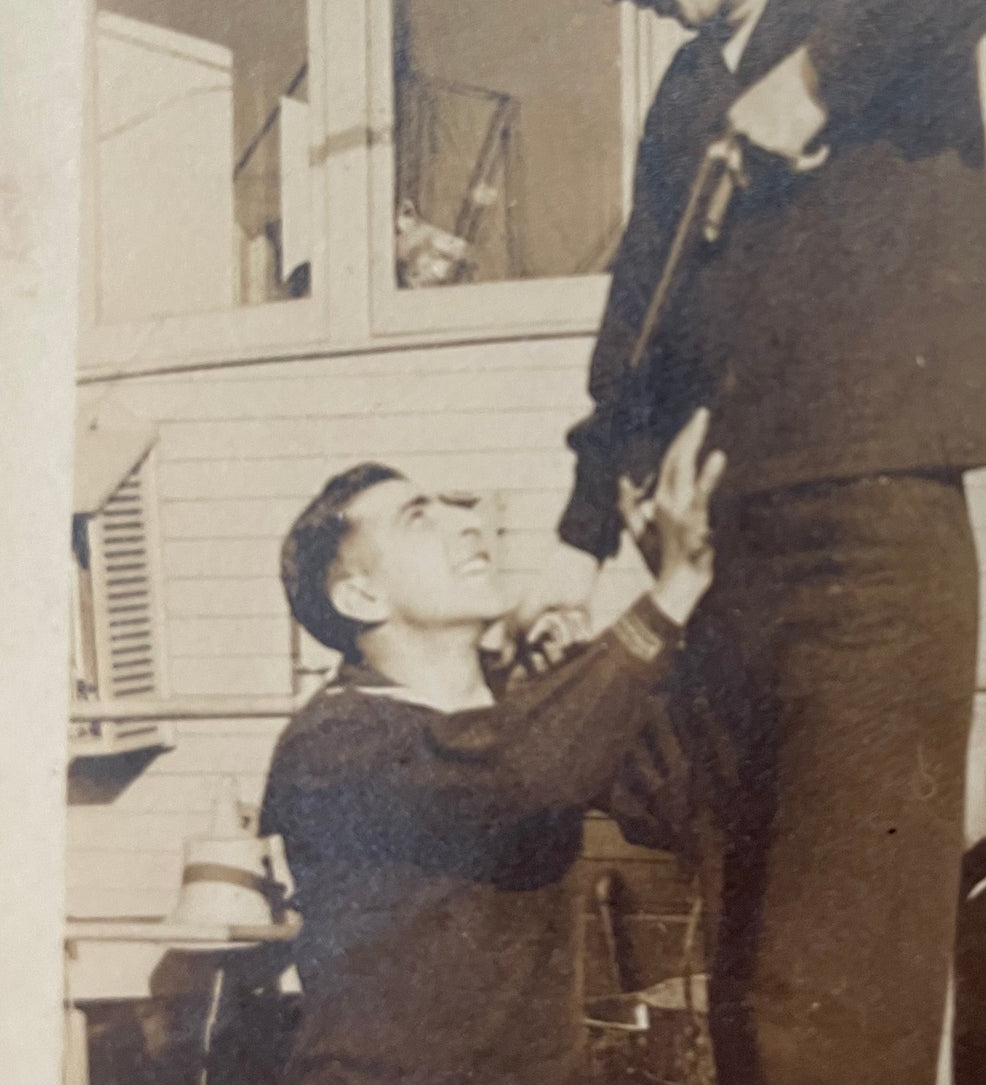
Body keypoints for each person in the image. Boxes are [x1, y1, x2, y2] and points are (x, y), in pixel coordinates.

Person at [515, 0, 986, 1085]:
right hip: (726, 574)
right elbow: (640, 340)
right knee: (743, 991)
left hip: (866, 554)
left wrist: (820, 74)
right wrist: (571, 543)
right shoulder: (681, 93)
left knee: (834, 993)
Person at [259, 409, 724, 1085]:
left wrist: (672, 601)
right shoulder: (332, 741)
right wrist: (669, 594)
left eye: (453, 507)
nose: (467, 522)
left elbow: (677, 805)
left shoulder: (522, 711)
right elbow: (518, 770)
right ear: (360, 594)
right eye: (419, 518)